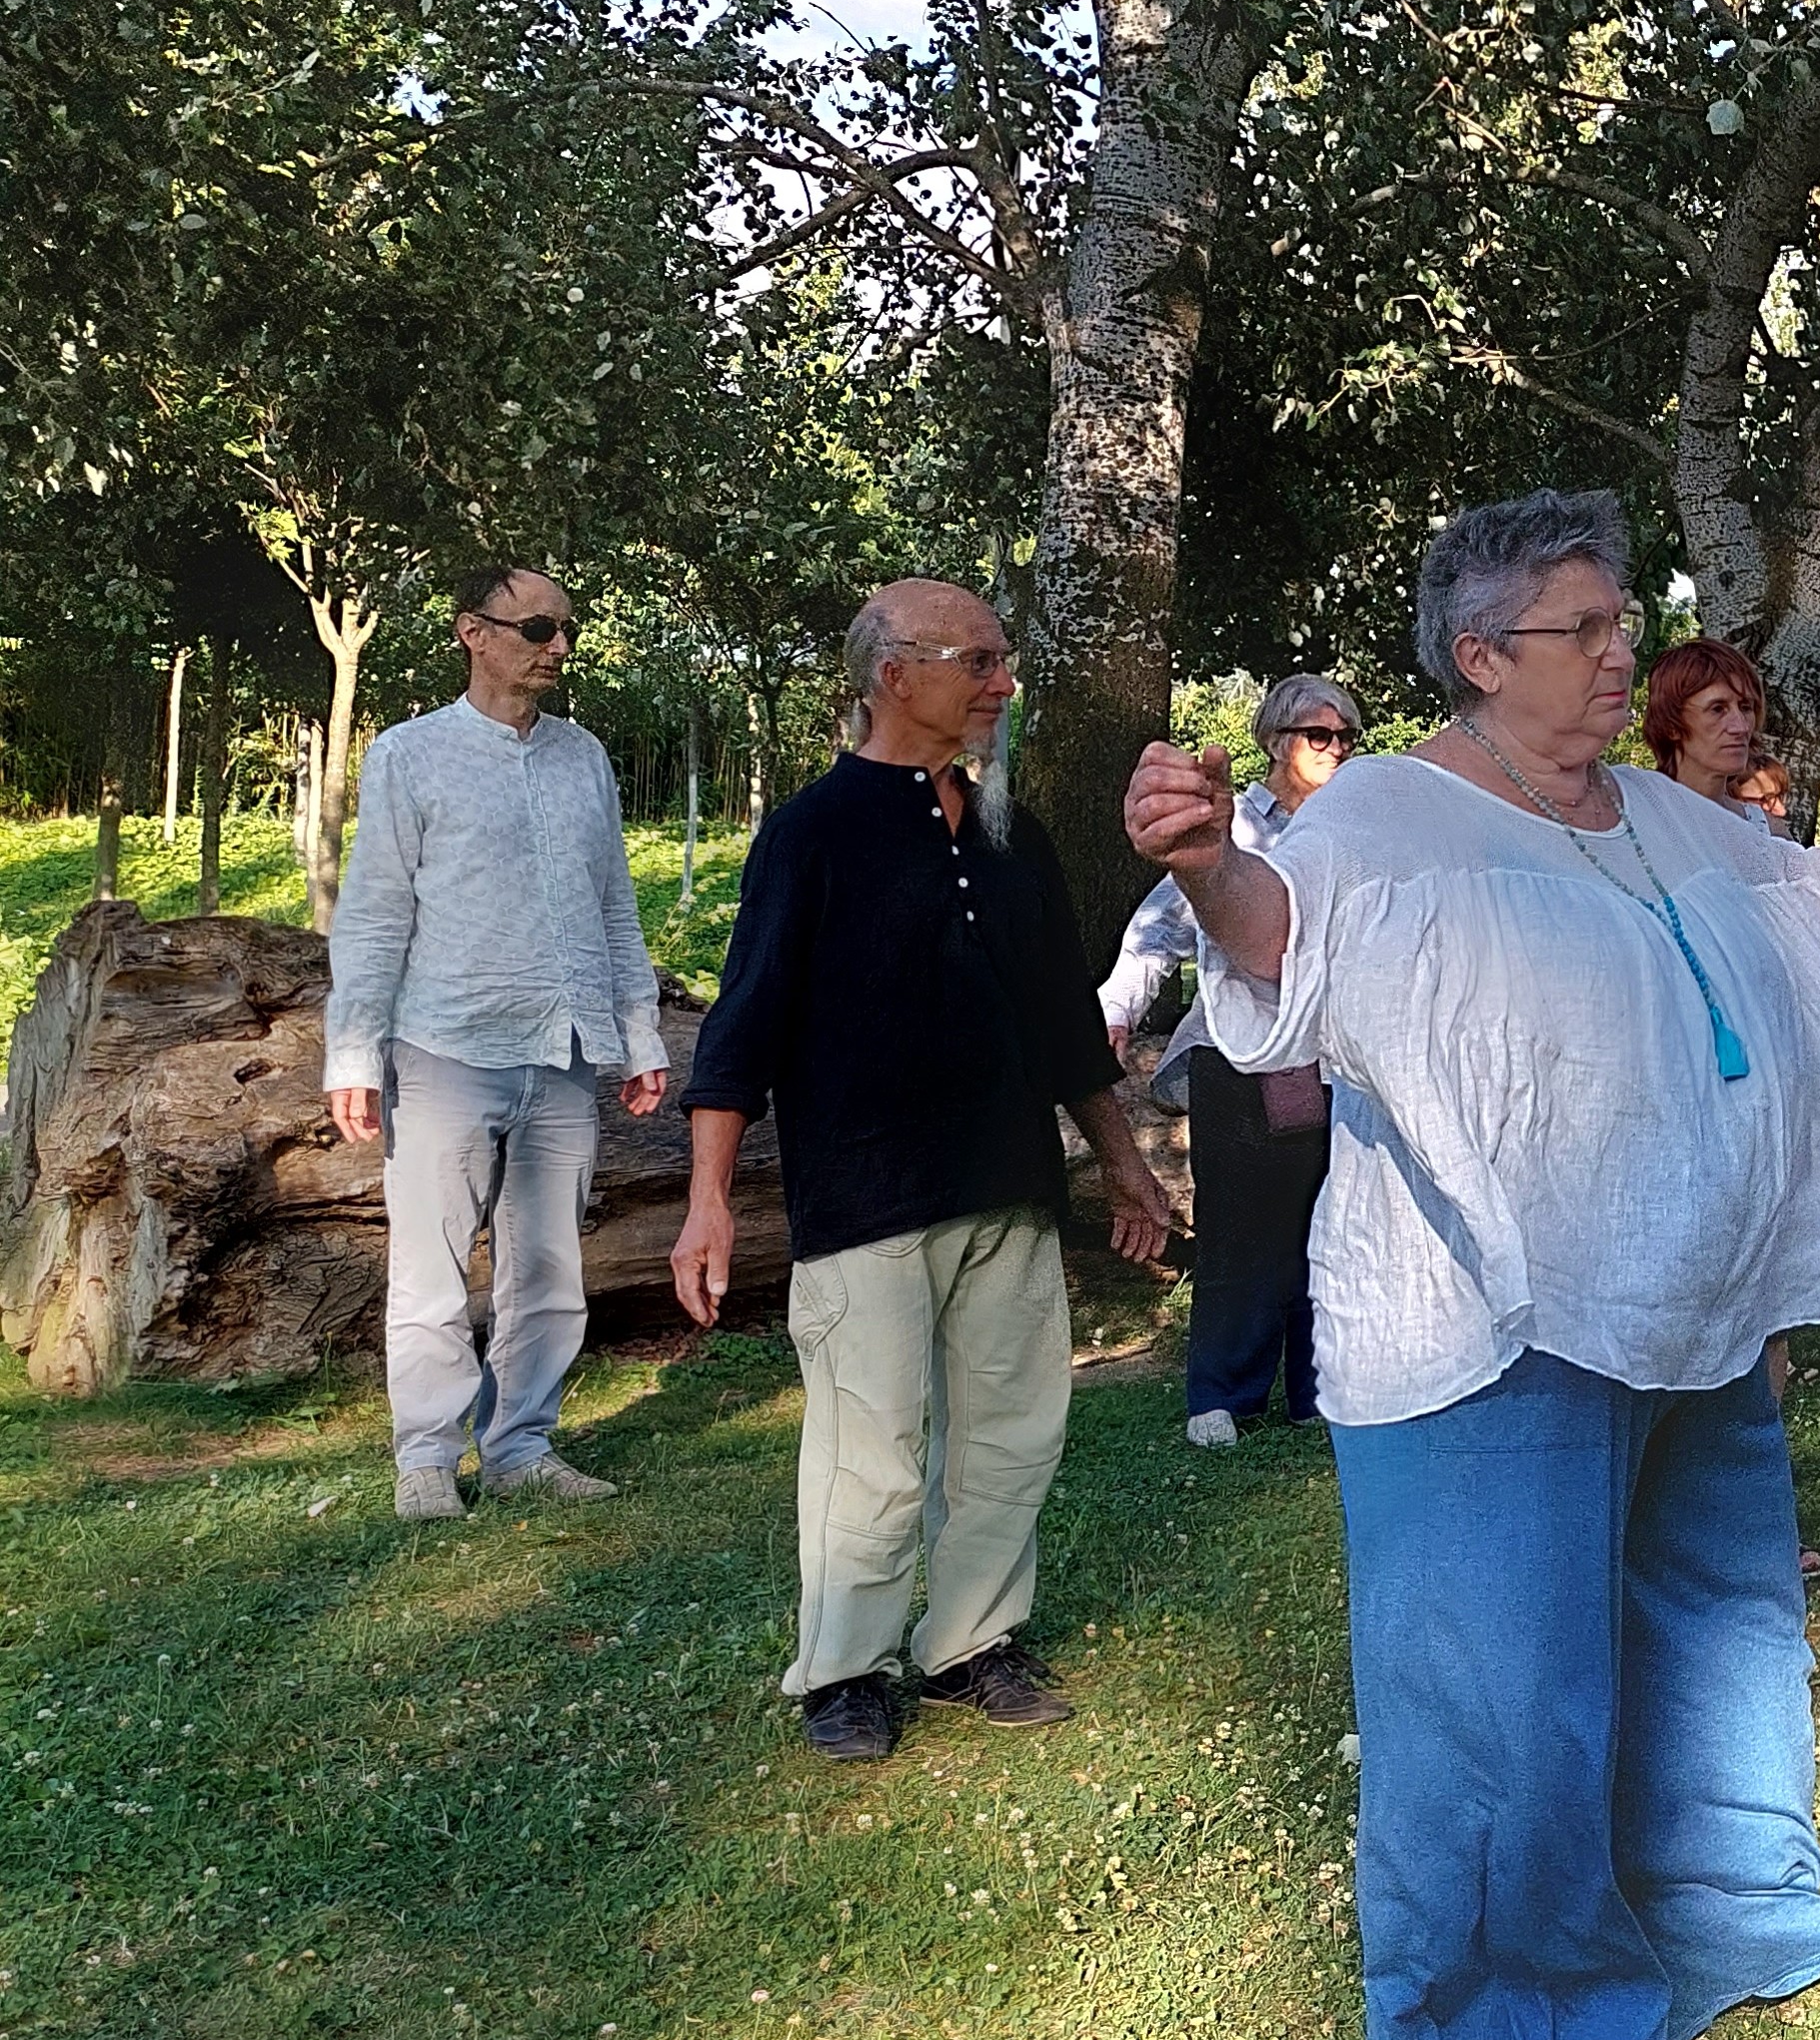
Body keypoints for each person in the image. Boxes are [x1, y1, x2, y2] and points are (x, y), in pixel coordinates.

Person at [1121, 487, 1820, 2040]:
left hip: (1685, 1314)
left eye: (1617, 622)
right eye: (1582, 632)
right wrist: (1205, 860)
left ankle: (1623, 2008)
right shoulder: (1384, 812)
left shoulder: (1663, 819)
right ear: (1477, 655)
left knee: (1694, 1670)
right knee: (1487, 1723)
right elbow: (1278, 954)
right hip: (1481, 1331)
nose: (1618, 656)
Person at [672, 582, 1178, 1763]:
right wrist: (705, 1201)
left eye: (1004, 660)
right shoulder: (810, 832)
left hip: (1008, 1186)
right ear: (894, 673)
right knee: (872, 1453)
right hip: (865, 1200)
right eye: (981, 661)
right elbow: (740, 1030)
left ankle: (972, 1646)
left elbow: (1062, 1021)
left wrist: (1122, 1166)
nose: (1003, 681)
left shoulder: (1012, 832)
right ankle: (844, 1670)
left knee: (1010, 1435)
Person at [324, 563, 671, 1522]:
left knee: (551, 1265)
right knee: (433, 1267)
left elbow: (614, 906)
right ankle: (427, 1459)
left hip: (561, 1052)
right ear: (473, 632)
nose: (558, 645)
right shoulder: (409, 755)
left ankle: (522, 1444)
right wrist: (352, 1051)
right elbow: (375, 914)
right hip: (444, 1045)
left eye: (567, 628)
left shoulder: (583, 756)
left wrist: (636, 1031)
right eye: (537, 628)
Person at [1100, 674, 1364, 1447]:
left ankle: (1319, 1392)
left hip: (1334, 1058)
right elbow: (1158, 929)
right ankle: (1223, 1398)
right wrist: (1116, 1011)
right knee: (1243, 1233)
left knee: (1331, 1224)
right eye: (1321, 735)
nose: (1338, 749)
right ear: (1276, 742)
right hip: (1236, 1058)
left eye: (1347, 735)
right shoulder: (1232, 826)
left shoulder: (1353, 827)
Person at [1640, 638, 1781, 828]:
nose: (1741, 727)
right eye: (1717, 709)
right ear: (1671, 725)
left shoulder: (1765, 832)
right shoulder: (1636, 818)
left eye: (1745, 707)